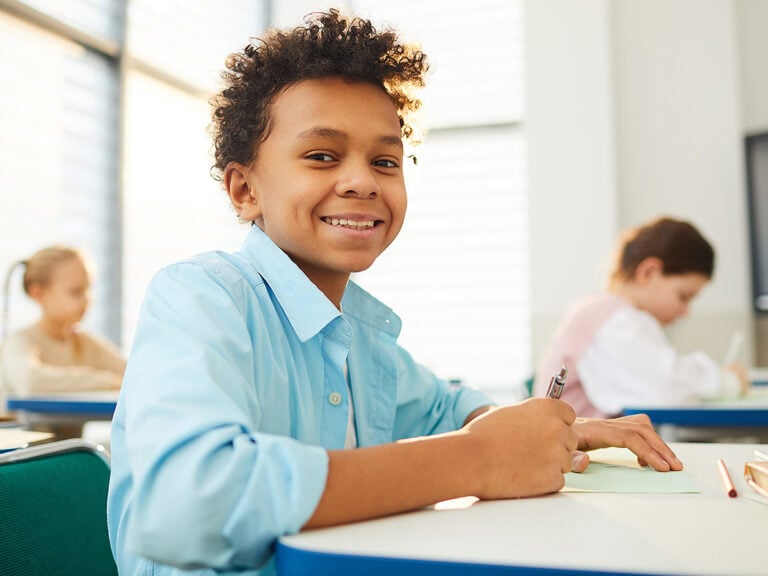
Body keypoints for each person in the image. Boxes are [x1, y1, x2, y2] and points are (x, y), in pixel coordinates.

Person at [107, 10, 682, 576]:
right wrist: (479, 460)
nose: (362, 180)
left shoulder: (358, 332)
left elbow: (448, 410)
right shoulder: (202, 297)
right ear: (243, 189)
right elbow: (186, 504)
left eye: (385, 161)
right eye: (322, 156)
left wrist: (553, 432)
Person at [533, 216, 749, 418]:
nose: (686, 311)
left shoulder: (602, 311)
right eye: (683, 296)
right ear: (649, 272)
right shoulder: (614, 321)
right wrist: (727, 382)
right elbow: (664, 388)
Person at [0, 246, 125, 425]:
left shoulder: (85, 342)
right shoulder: (19, 342)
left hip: (68, 450)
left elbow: (132, 371)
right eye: (75, 291)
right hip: (25, 451)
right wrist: (105, 381)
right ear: (38, 293)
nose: (87, 299)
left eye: (89, 288)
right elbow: (30, 383)